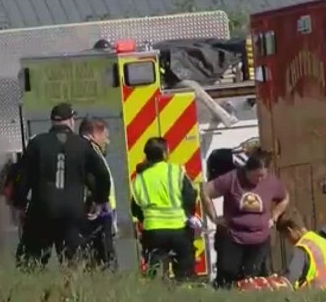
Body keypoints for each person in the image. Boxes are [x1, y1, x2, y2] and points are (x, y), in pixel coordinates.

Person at [13, 103, 112, 269]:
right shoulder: (83, 145)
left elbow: (23, 176)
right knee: (74, 263)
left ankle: (31, 291)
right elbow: (102, 175)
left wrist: (20, 204)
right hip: (72, 213)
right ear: (71, 121)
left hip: (42, 211)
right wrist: (99, 200)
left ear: (52, 121)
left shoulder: (37, 143)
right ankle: (71, 293)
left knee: (30, 263)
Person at [200, 150, 289, 288]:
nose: (260, 180)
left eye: (263, 176)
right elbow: (206, 191)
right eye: (257, 176)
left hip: (259, 240)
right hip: (234, 237)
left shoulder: (271, 181)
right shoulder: (233, 178)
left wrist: (274, 216)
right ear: (248, 171)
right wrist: (214, 218)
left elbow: (284, 197)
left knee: (252, 275)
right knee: (228, 273)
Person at [129, 137, 197, 280]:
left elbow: (135, 208)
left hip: (154, 232)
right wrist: (187, 214)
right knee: (185, 273)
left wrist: (146, 219)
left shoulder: (140, 179)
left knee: (156, 274)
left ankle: (159, 297)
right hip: (179, 229)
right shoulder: (176, 171)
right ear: (165, 153)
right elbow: (190, 196)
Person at [78, 117, 116, 271]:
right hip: (97, 214)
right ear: (95, 134)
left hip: (100, 212)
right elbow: (94, 178)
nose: (107, 141)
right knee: (103, 260)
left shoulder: (91, 150)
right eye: (105, 136)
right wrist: (98, 202)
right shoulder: (89, 151)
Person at [276, 212, 326, 290]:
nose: (288, 241)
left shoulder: (302, 247)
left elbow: (291, 277)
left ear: (290, 230)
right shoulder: (323, 242)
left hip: (317, 296)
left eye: (286, 237)